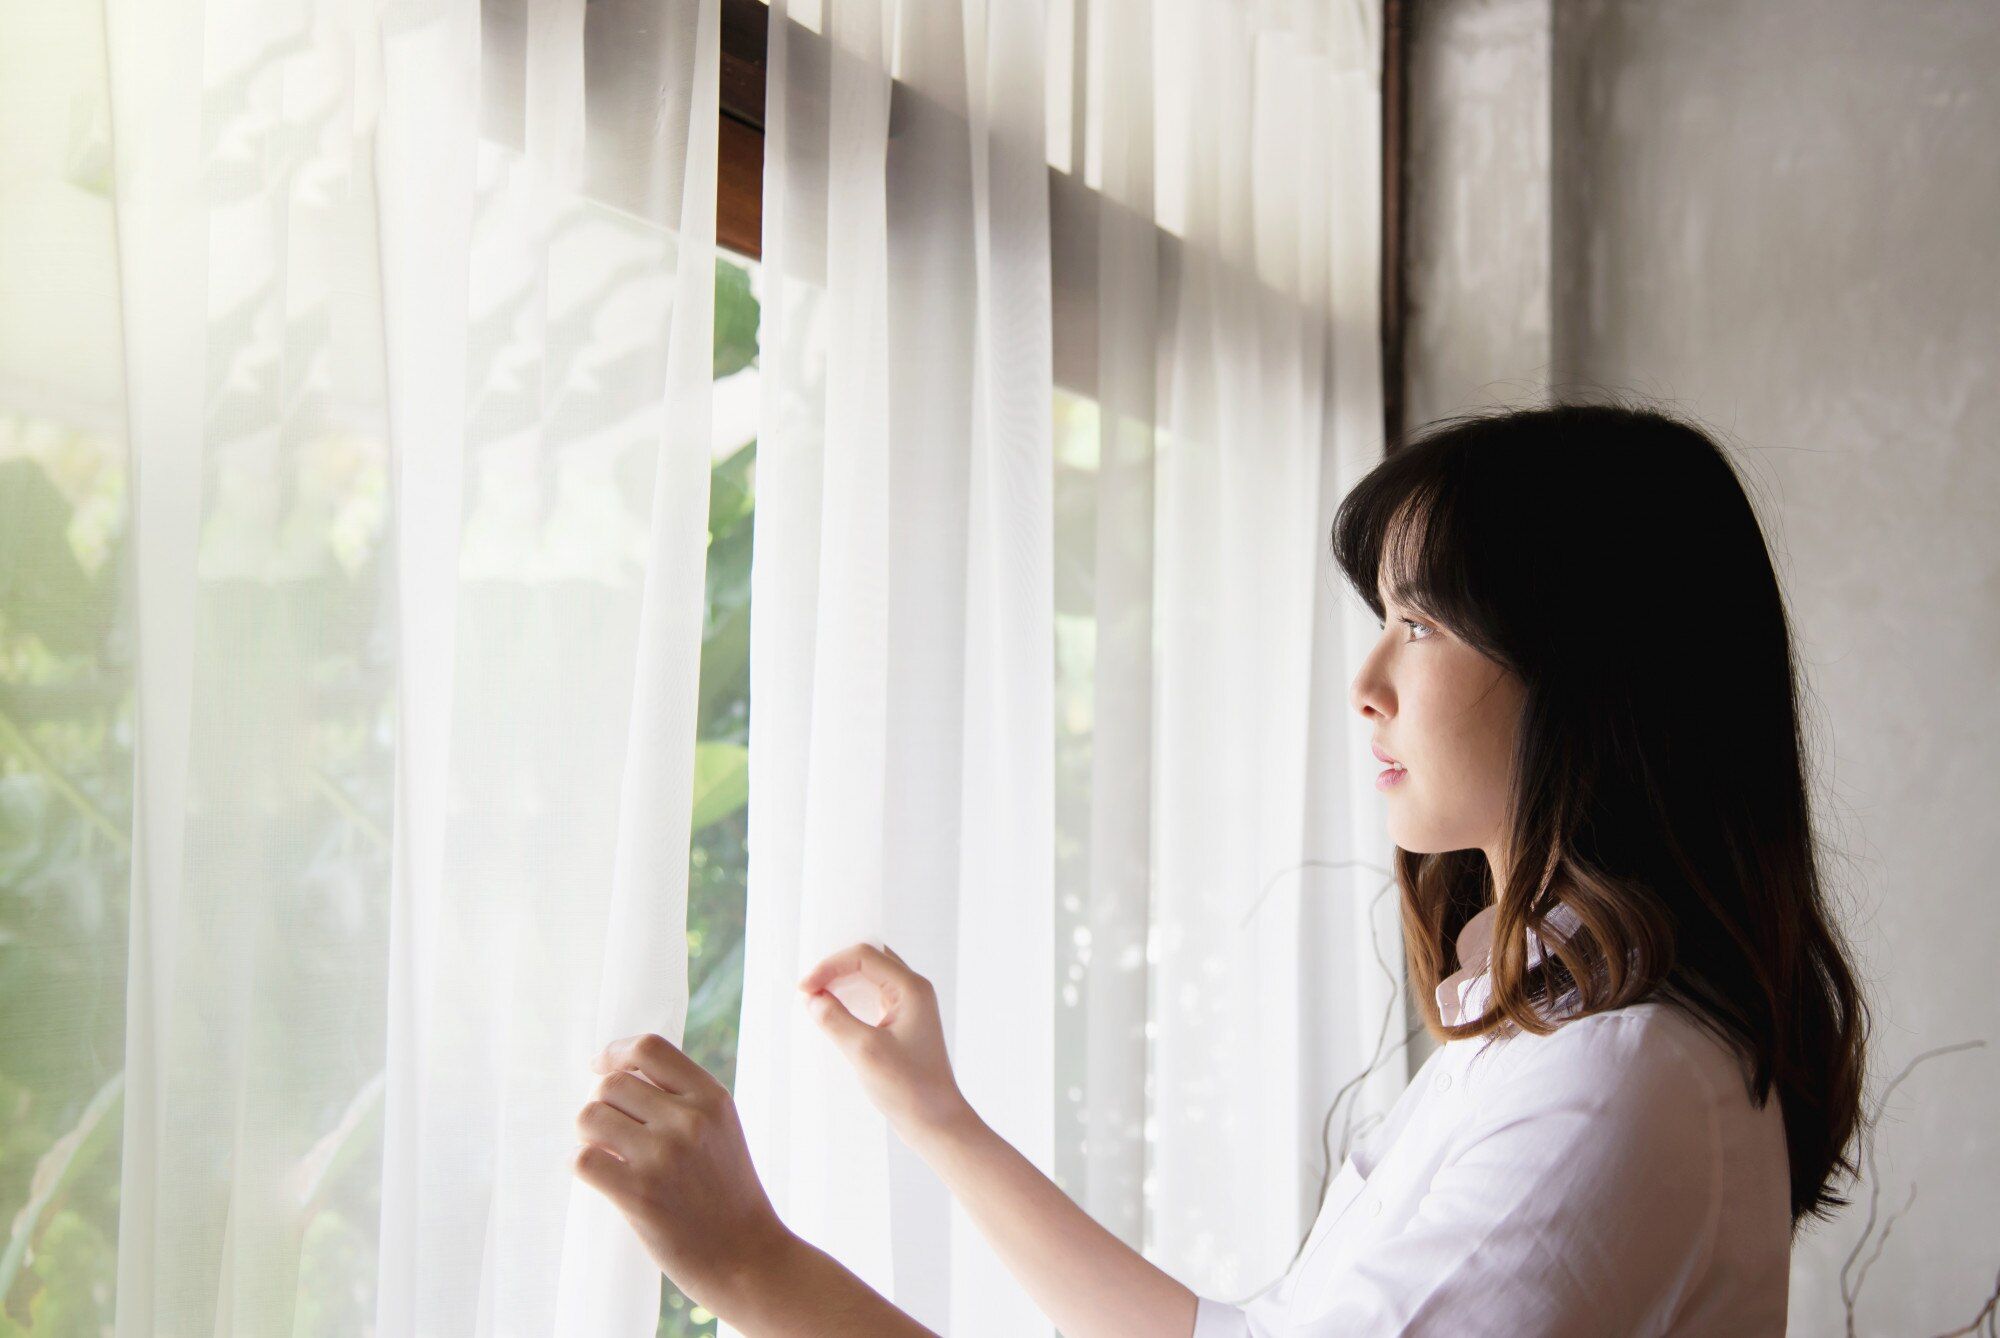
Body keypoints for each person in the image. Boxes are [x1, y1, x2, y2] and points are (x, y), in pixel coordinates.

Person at [572, 402, 1870, 1337]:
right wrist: (938, 1119)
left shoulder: (1610, 1085)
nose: (1367, 684)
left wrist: (748, 1262)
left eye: (1418, 622)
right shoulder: (1556, 1040)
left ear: (1592, 676)